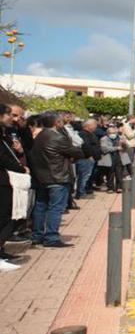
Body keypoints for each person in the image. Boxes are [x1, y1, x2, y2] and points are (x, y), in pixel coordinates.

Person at [28, 111, 85, 248]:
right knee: (55, 208)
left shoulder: (39, 136)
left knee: (40, 207)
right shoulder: (58, 137)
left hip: (41, 177)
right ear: (56, 122)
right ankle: (51, 237)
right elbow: (78, 152)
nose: (62, 123)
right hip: (57, 177)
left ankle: (37, 235)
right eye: (60, 121)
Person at [0, 104, 28, 267]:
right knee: (4, 216)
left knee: (6, 215)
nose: (13, 118)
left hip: (6, 179)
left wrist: (18, 152)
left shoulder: (6, 134)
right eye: (9, 114)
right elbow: (2, 157)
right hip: (3, 180)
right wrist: (20, 168)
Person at [76, 119, 101, 198]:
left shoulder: (91, 134)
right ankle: (81, 193)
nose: (95, 126)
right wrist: (90, 156)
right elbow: (85, 146)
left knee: (87, 176)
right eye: (94, 125)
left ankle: (84, 191)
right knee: (84, 177)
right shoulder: (83, 134)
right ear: (88, 126)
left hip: (91, 159)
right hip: (86, 159)